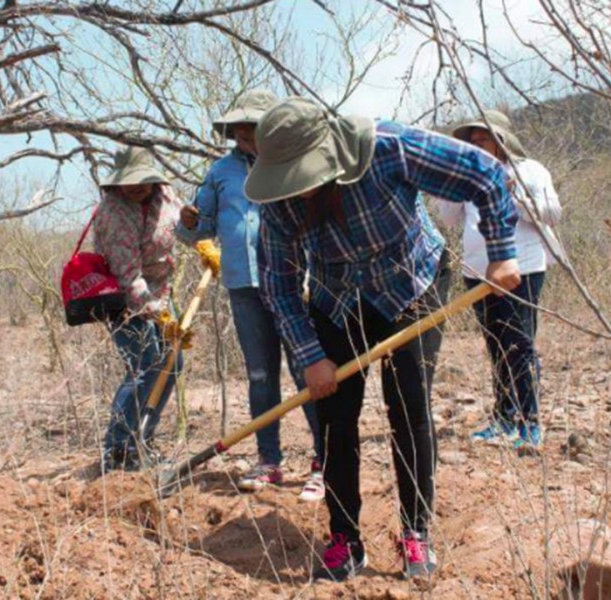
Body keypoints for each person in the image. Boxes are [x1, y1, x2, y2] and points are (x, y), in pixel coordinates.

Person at [245, 97, 520, 581]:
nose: (301, 191)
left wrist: (501, 251)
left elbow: (485, 173)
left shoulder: (390, 148)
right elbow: (279, 285)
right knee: (333, 417)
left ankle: (416, 533)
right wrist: (310, 356)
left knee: (408, 406)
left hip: (411, 284)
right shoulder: (278, 203)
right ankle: (345, 539)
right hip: (335, 297)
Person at [176, 90, 325, 501]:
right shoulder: (220, 172)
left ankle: (325, 462)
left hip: (294, 283)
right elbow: (196, 229)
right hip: (244, 287)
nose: (244, 133)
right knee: (260, 375)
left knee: (307, 369)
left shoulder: (293, 164)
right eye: (239, 128)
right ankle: (269, 461)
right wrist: (188, 222)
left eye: (253, 126)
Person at [438, 110, 562, 452]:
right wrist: (453, 184)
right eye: (471, 142)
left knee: (519, 345)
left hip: (522, 267)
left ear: (500, 139)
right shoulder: (469, 176)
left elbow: (552, 213)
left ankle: (530, 422)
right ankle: (505, 417)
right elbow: (448, 220)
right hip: (477, 271)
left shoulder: (529, 171)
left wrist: (514, 195)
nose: (477, 146)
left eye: (483, 140)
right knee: (496, 345)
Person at [95, 146, 183, 472]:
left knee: (173, 362)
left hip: (161, 291)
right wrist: (157, 314)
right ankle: (117, 450)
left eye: (142, 181)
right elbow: (128, 277)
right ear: (116, 184)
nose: (136, 188)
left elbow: (184, 224)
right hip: (123, 297)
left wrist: (198, 238)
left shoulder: (166, 196)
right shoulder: (114, 214)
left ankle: (142, 439)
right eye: (129, 182)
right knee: (144, 365)